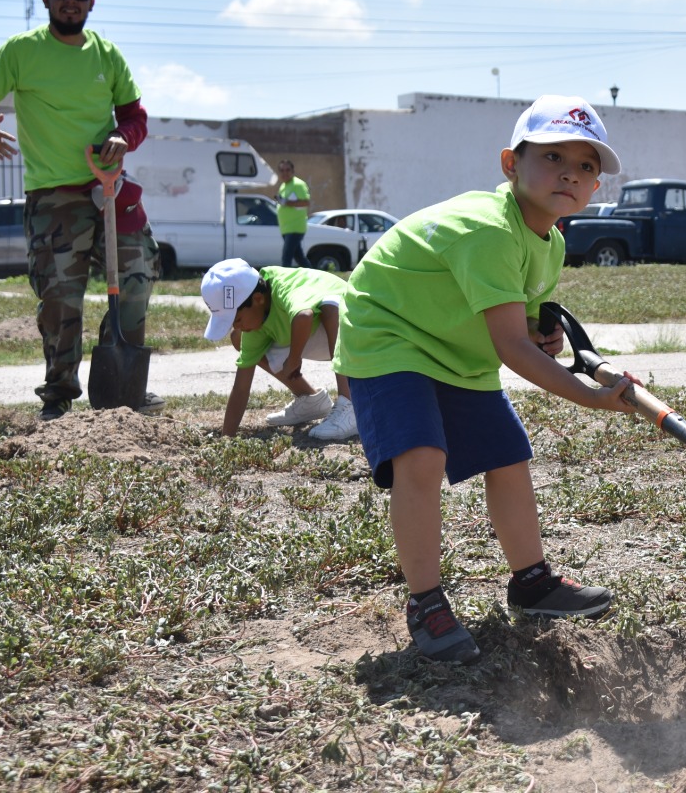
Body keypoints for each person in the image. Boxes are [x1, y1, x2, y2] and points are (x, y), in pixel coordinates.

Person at [332, 94, 638, 663]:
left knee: (507, 455)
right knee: (421, 456)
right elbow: (510, 346)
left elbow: (523, 325)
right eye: (552, 157)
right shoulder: (489, 229)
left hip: (455, 346)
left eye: (586, 165)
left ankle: (533, 583)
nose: (570, 173)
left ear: (596, 187)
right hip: (389, 332)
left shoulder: (551, 241)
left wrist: (544, 334)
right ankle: (425, 602)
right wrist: (591, 397)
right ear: (510, 164)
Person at [0, 0, 163, 421]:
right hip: (54, 198)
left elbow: (135, 117)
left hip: (110, 190)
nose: (71, 0)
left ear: (91, 3)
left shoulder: (107, 55)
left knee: (137, 276)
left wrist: (123, 137)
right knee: (60, 296)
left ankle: (122, 385)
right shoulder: (21, 51)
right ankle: (59, 393)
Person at [199, 258, 357, 440]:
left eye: (238, 319)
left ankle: (351, 405)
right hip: (320, 337)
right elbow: (241, 388)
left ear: (258, 299)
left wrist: (294, 358)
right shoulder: (257, 313)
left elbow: (304, 316)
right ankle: (311, 401)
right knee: (238, 338)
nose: (237, 326)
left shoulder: (282, 287)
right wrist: (226, 438)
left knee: (331, 307)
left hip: (357, 328)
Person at [276, 160, 310, 267]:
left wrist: (286, 202)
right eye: (282, 170)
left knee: (286, 258)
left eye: (287, 170)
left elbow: (305, 202)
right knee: (300, 258)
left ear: (293, 171)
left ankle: (284, 277)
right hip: (286, 229)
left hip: (295, 228)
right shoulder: (283, 186)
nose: (285, 173)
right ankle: (313, 274)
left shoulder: (298, 184)